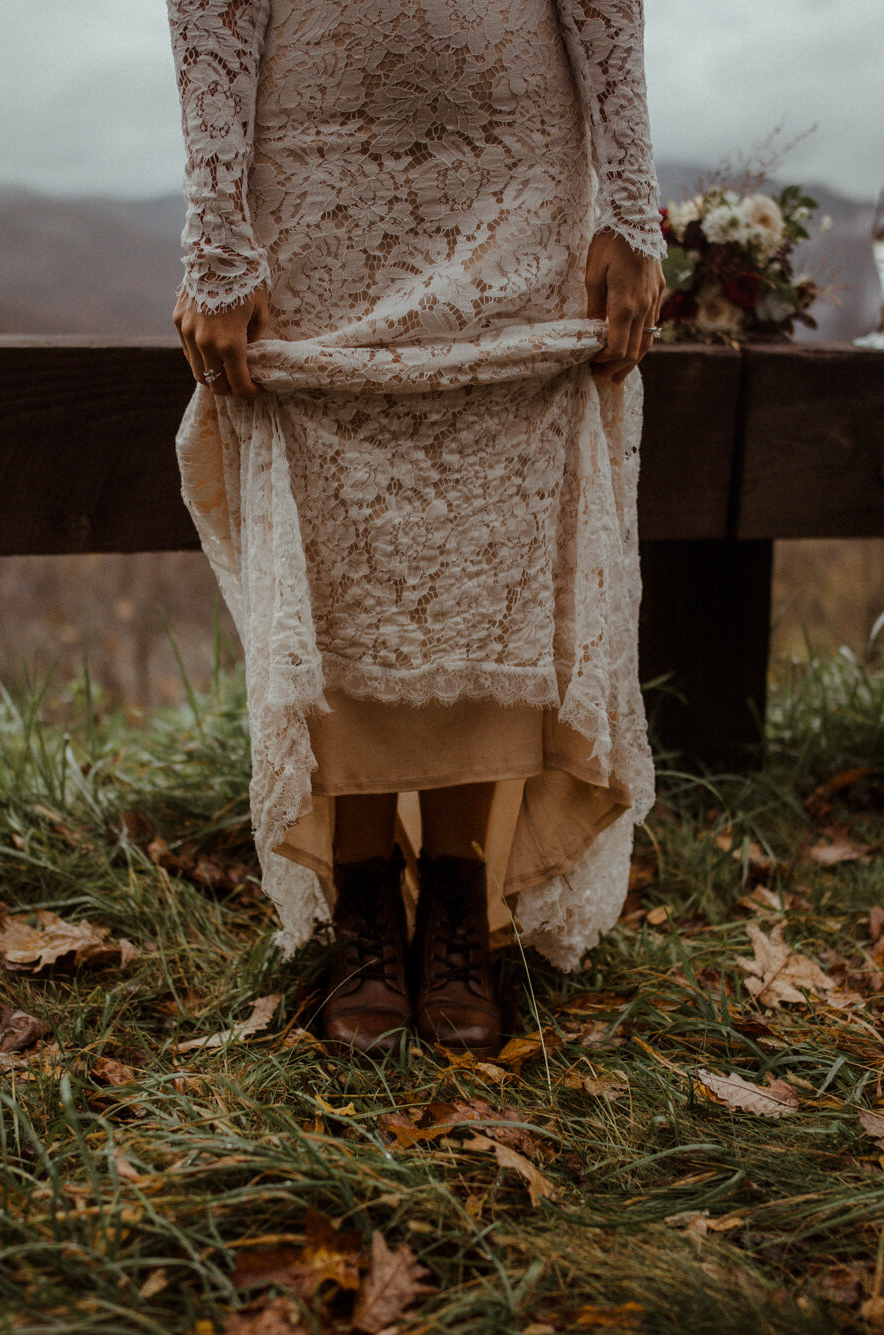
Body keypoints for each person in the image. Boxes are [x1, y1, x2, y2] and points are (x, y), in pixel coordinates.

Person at [165, 0, 666, 1057]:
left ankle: (453, 906)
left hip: (516, 170)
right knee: (344, 528)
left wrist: (629, 209)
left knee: (489, 522)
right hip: (315, 175)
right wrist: (216, 235)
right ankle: (360, 904)